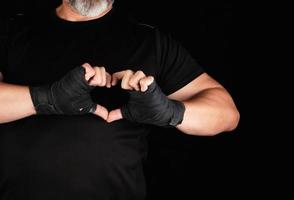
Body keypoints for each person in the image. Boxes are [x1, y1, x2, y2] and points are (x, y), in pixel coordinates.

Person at [0, 0, 240, 199]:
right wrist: (47, 98)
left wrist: (170, 112)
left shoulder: (150, 42)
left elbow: (227, 114)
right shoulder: (13, 31)